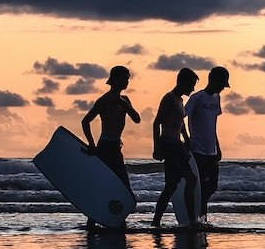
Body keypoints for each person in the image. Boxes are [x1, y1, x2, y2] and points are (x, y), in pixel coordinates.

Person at [81, 65, 141, 228]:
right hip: (104, 147)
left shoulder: (125, 101)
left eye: (128, 78)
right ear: (114, 80)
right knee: (102, 184)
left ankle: (119, 219)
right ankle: (92, 221)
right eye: (124, 78)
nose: (127, 81)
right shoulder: (104, 100)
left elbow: (137, 119)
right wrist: (92, 145)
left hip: (116, 147)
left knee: (123, 185)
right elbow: (85, 121)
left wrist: (124, 104)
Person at [151, 67, 199, 229]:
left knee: (171, 186)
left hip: (177, 146)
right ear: (183, 82)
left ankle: (156, 221)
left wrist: (187, 140)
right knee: (190, 179)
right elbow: (157, 123)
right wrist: (157, 148)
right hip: (169, 144)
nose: (193, 89)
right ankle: (192, 221)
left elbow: (181, 124)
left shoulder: (180, 101)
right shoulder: (169, 99)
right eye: (191, 84)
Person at [184, 66, 230, 224]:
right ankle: (199, 218)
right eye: (222, 84)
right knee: (200, 187)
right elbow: (182, 117)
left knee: (212, 187)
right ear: (213, 80)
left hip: (212, 151)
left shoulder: (216, 98)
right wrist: (186, 139)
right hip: (198, 150)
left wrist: (218, 147)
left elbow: (213, 124)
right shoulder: (197, 98)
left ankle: (200, 217)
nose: (223, 88)